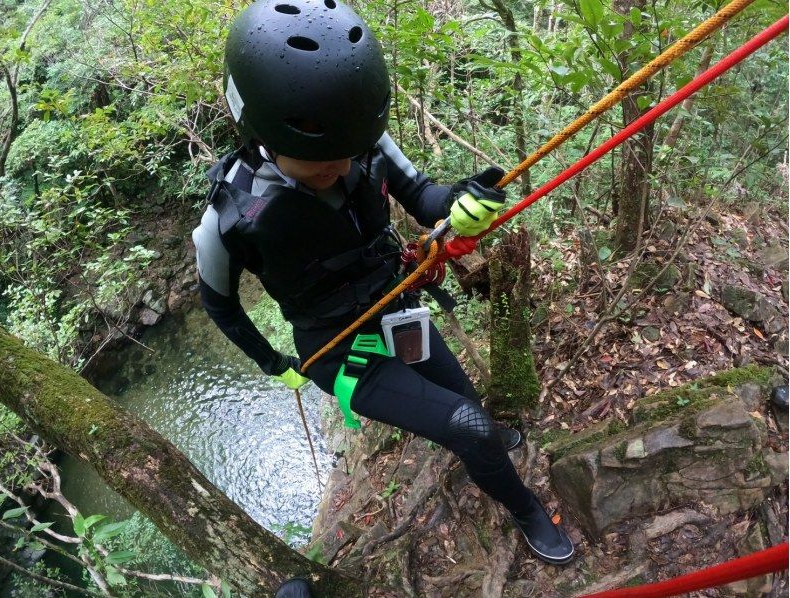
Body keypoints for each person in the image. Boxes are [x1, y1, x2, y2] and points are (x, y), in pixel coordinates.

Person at [193, 0, 574, 568]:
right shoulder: (226, 222)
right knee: (468, 424)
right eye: (319, 158)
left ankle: (491, 445)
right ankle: (525, 510)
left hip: (397, 307)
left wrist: (462, 204)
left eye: (346, 153)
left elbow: (424, 197)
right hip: (342, 352)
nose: (340, 167)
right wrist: (274, 363)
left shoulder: (362, 144)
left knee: (469, 404)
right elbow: (221, 307)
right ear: (264, 129)